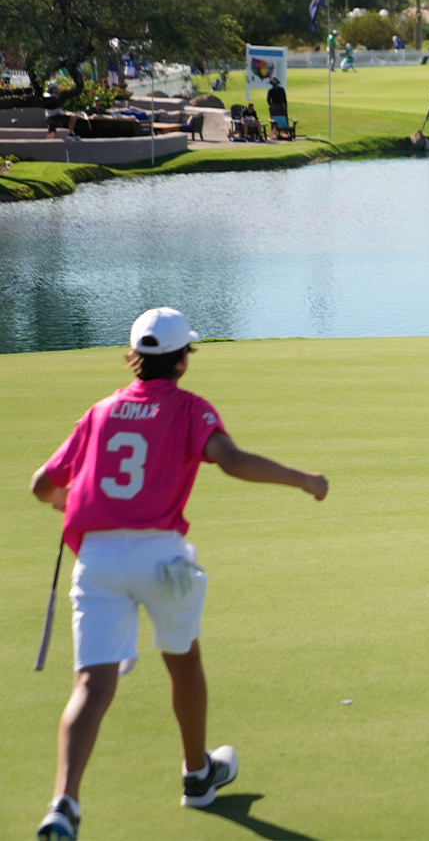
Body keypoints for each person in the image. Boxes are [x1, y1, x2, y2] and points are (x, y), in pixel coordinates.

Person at [30, 307, 327, 841]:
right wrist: (302, 478)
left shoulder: (99, 412)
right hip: (161, 559)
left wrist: (72, 504)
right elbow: (231, 460)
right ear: (182, 361)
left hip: (96, 559)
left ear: (135, 358)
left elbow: (43, 485)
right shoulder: (190, 408)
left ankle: (64, 802)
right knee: (183, 662)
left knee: (89, 686)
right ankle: (197, 777)